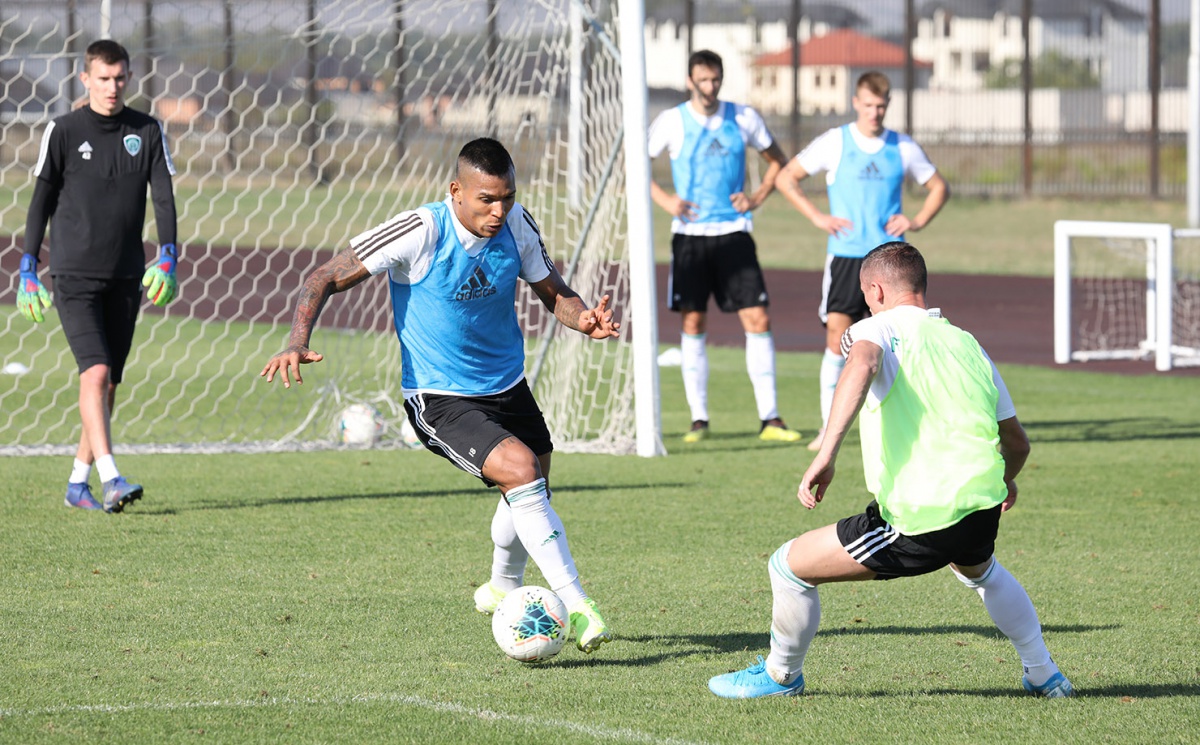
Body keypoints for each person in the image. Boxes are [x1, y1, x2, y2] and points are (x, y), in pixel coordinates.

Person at [260, 137, 616, 654]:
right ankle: (579, 605)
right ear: (456, 191)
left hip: (507, 385)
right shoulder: (421, 230)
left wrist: (582, 318)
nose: (499, 211)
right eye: (486, 200)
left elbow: (552, 290)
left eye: (507, 198)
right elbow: (324, 275)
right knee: (520, 471)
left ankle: (502, 586)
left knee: (532, 477)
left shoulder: (518, 224)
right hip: (439, 396)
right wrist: (297, 341)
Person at [707, 242, 1073, 700]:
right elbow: (1017, 442)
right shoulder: (967, 342)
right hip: (981, 505)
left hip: (920, 517)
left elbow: (862, 360)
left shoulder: (874, 328)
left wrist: (827, 452)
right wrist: (1005, 480)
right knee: (982, 571)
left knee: (788, 567)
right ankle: (1044, 674)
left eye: (865, 295)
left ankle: (781, 676)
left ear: (875, 290)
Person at [18, 39, 179, 513]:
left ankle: (76, 483)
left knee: (108, 386)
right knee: (96, 370)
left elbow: (164, 198)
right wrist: (28, 265)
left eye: (120, 78)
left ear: (128, 78)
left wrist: (168, 256)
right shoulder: (63, 131)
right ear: (85, 79)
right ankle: (112, 478)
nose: (112, 87)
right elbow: (40, 201)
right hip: (72, 276)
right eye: (103, 78)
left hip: (127, 275)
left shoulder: (147, 130)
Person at [776, 71, 949, 452]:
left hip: (892, 263)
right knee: (837, 339)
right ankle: (828, 428)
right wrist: (818, 217)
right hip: (846, 257)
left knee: (901, 340)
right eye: (869, 105)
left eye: (881, 105)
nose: (875, 112)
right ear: (856, 102)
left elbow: (939, 187)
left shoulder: (901, 147)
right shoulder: (835, 142)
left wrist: (916, 220)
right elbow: (787, 179)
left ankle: (908, 424)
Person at [648, 49, 801, 444]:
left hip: (735, 234)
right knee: (693, 322)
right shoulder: (671, 121)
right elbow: (635, 165)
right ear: (690, 81)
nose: (710, 87)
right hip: (690, 238)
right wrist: (667, 202)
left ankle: (771, 418)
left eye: (715, 79)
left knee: (758, 319)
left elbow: (777, 160)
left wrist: (757, 196)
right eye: (702, 80)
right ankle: (699, 420)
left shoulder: (744, 118)